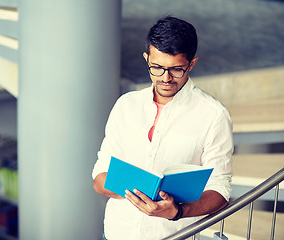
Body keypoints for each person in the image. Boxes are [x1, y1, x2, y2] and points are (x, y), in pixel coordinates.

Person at [92, 16, 233, 240]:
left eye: (177, 69)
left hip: (175, 235)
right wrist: (138, 192)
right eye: (156, 67)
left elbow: (220, 191)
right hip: (116, 233)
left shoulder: (213, 115)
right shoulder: (126, 106)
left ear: (192, 64)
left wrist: (177, 211)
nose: (166, 78)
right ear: (146, 58)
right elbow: (100, 178)